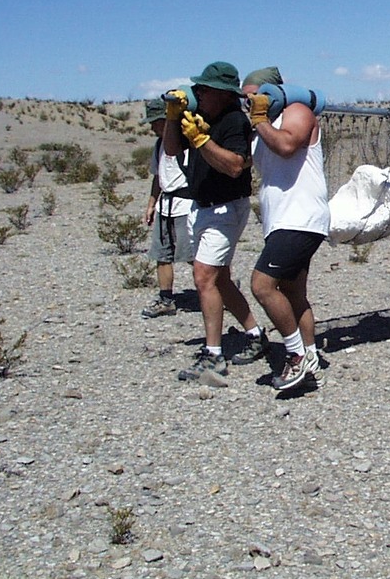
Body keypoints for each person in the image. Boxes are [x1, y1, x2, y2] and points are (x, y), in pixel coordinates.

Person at [162, 61, 267, 381]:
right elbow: (169, 149)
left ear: (223, 94)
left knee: (204, 277)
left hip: (225, 208)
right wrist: (172, 117)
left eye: (204, 89)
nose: (198, 94)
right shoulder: (200, 116)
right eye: (197, 89)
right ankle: (254, 334)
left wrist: (201, 141)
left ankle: (213, 356)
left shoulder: (235, 120)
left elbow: (236, 166)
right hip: (202, 207)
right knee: (218, 278)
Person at [242, 67, 330, 392]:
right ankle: (311, 358)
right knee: (294, 293)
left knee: (262, 285)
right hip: (281, 220)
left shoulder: (298, 112)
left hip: (302, 218)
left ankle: (295, 358)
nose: (250, 100)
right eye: (246, 96)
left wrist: (260, 120)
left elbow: (287, 146)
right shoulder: (260, 124)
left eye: (255, 94)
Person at [140, 97, 193, 319]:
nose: (152, 127)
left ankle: (222, 287)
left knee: (193, 255)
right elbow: (158, 176)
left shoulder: (188, 141)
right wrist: (152, 203)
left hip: (186, 205)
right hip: (166, 206)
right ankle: (166, 299)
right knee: (163, 254)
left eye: (156, 122)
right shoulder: (159, 145)